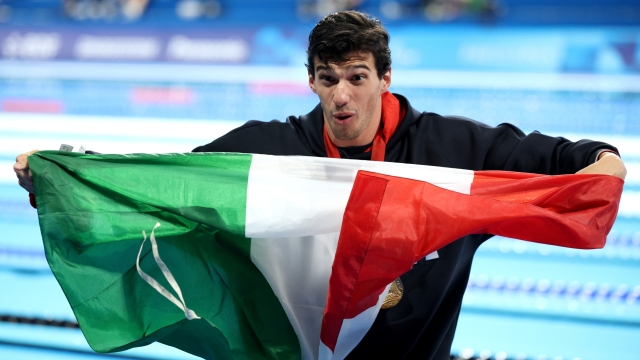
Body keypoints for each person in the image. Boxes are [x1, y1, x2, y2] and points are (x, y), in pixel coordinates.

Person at [14, 10, 626, 360]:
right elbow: (169, 188)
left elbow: (564, 159)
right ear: (310, 81)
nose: (342, 95)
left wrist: (604, 159)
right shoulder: (272, 149)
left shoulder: (451, 149)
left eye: (357, 77)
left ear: (385, 77)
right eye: (328, 78)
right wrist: (62, 178)